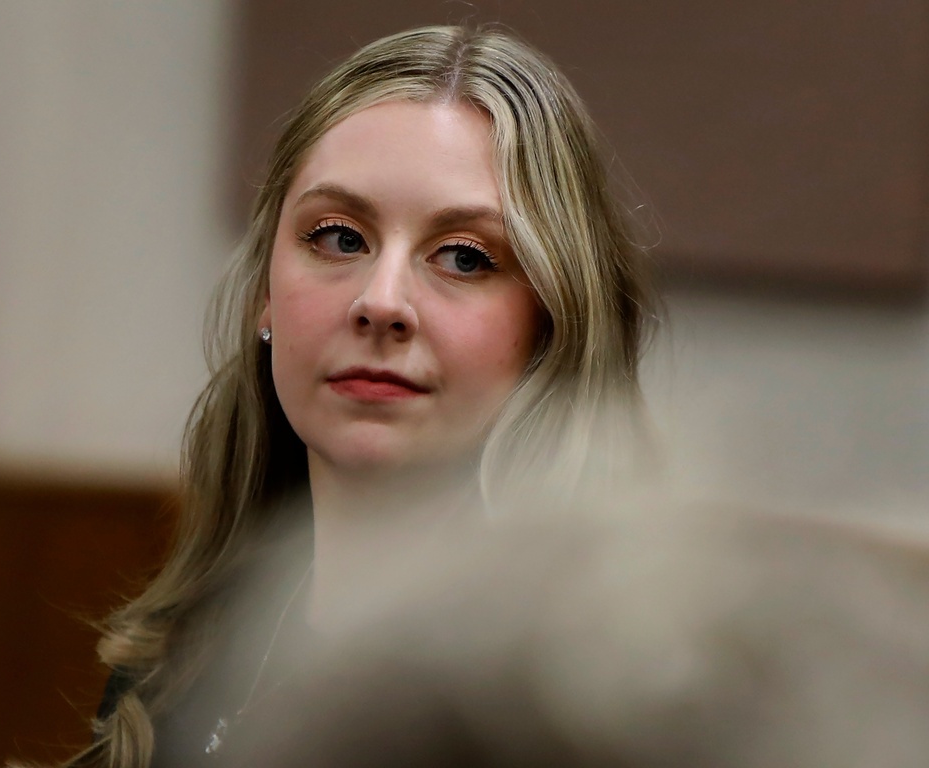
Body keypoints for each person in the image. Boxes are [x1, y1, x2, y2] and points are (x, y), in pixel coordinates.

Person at [42, 23, 653, 768]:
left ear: (553, 325)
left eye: (464, 256)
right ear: (265, 294)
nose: (382, 300)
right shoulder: (179, 664)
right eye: (338, 238)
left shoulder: (596, 710)